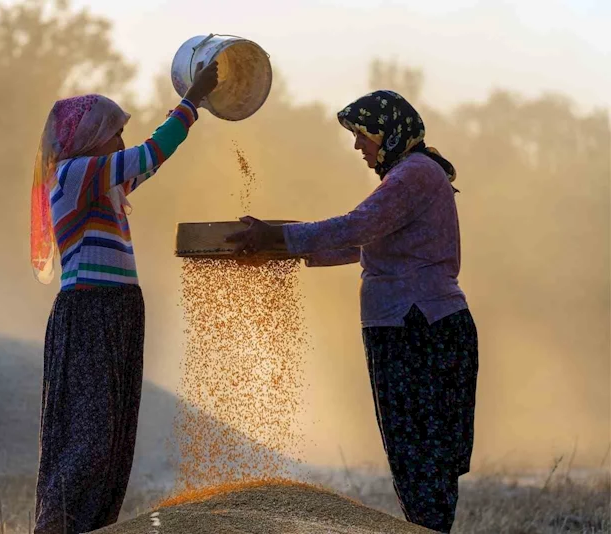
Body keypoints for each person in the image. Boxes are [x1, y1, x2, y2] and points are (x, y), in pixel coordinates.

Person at [225, 90, 479, 533]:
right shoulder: (408, 176)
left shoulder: (413, 174)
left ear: (389, 132)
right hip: (411, 326)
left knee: (420, 456)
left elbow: (355, 227)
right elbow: (360, 243)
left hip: (419, 327)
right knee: (414, 456)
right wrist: (279, 247)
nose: (358, 146)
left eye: (363, 134)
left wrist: (278, 238)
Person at [29, 61, 219, 533]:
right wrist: (191, 101)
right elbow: (150, 153)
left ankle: (93, 525)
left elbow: (148, 160)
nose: (120, 142)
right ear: (89, 139)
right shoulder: (75, 174)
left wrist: (193, 108)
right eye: (113, 133)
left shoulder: (102, 181)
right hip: (90, 312)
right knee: (89, 442)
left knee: (113, 441)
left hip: (118, 312)